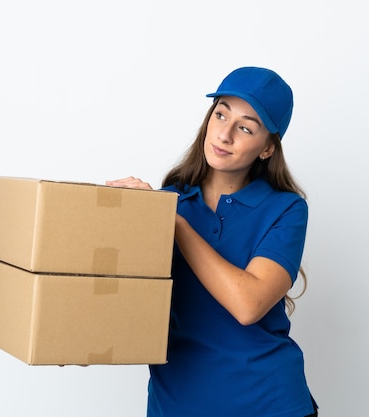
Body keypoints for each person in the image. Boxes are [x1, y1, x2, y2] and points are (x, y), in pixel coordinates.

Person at [106, 66, 318, 417]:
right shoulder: (164, 203)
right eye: (220, 114)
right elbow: (119, 301)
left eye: (246, 127)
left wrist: (174, 222)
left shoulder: (287, 209)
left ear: (267, 148)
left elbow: (248, 304)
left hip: (268, 403)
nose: (225, 134)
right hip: (177, 404)